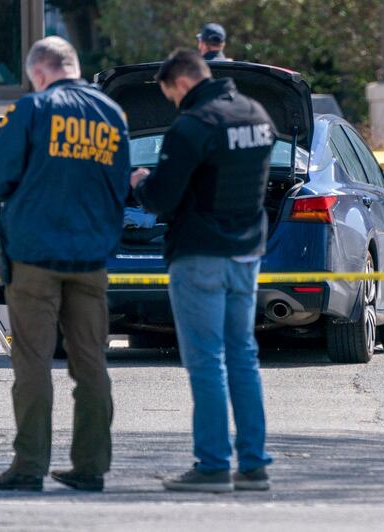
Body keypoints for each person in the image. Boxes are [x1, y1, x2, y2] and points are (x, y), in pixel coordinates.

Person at [0, 36, 131, 492]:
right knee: (91, 365)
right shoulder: (112, 114)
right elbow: (120, 185)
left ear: (38, 72)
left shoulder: (30, 110)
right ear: (75, 67)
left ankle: (29, 467)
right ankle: (90, 468)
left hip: (34, 257)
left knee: (32, 364)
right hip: (90, 258)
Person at [130, 49, 274, 493]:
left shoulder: (192, 126)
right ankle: (252, 465)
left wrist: (139, 182)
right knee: (242, 357)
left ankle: (212, 465)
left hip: (199, 257)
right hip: (246, 254)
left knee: (206, 360)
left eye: (170, 93)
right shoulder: (256, 115)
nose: (172, 102)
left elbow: (162, 199)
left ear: (181, 83)